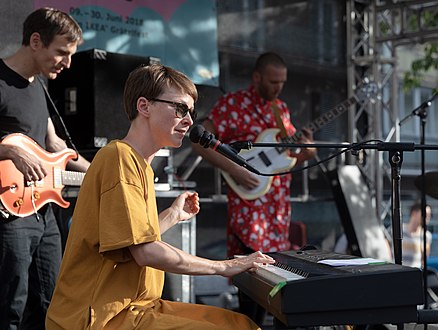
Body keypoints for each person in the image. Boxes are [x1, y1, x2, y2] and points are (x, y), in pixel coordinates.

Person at [45, 64, 274, 329]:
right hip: (101, 317)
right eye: (180, 109)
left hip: (137, 307)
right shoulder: (119, 157)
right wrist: (224, 267)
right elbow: (144, 252)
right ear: (144, 106)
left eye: (191, 111)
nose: (189, 121)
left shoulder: (137, 164)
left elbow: (131, 240)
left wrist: (172, 216)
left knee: (241, 324)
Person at [191, 52, 316, 323]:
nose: (278, 88)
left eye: (282, 82)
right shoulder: (233, 104)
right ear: (257, 77)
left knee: (273, 280)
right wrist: (233, 167)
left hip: (277, 208)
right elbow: (198, 141)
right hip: (249, 206)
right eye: (273, 82)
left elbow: (290, 155)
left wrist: (308, 151)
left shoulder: (280, 109)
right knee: (253, 280)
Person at [0, 8, 90, 329]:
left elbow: (55, 145)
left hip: (44, 212)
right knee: (10, 306)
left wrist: (99, 171)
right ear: (36, 41)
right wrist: (8, 148)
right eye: (61, 53)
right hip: (9, 214)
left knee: (49, 303)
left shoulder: (39, 86)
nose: (67, 63)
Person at [400, 202, 432, 268]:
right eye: (425, 214)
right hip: (397, 273)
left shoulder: (427, 236)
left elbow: (424, 259)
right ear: (414, 213)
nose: (427, 217)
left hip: (415, 274)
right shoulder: (399, 230)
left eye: (429, 215)